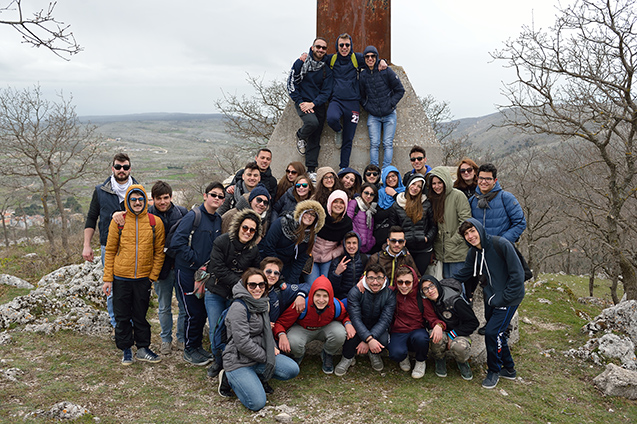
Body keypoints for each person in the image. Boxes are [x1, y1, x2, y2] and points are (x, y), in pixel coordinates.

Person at [453, 219, 525, 389]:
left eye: (472, 231)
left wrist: (504, 298)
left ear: (479, 229)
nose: (470, 236)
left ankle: (494, 370)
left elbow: (517, 274)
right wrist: (439, 285)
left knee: (492, 333)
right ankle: (509, 368)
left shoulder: (501, 244)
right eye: (466, 234)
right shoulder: (473, 253)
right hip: (491, 298)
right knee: (498, 333)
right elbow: (464, 273)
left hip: (509, 298)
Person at [221, 268, 300, 411]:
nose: (257, 288)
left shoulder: (262, 303)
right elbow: (243, 343)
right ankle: (228, 378)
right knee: (257, 403)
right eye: (252, 285)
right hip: (238, 360)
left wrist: (272, 347)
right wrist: (267, 356)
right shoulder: (239, 307)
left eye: (261, 285)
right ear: (245, 286)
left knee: (292, 369)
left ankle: (254, 377)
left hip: (258, 356)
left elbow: (265, 331)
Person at [103, 185, 165, 365]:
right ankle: (126, 350)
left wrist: (152, 276)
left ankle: (143, 348)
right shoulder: (118, 222)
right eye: (133, 199)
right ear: (128, 202)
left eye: (140, 199)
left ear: (145, 201)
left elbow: (159, 252)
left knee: (141, 315)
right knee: (122, 316)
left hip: (143, 278)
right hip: (121, 277)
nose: (137, 203)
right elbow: (110, 250)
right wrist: (107, 278)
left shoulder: (155, 222)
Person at [170, 181, 224, 366]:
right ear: (205, 195)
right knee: (192, 311)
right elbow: (177, 243)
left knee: (201, 312)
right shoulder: (194, 216)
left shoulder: (218, 219)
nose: (217, 198)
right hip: (187, 272)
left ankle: (197, 346)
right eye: (214, 195)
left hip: (204, 275)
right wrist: (194, 260)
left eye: (220, 196)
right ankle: (188, 349)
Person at [83, 153, 138, 329]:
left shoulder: (138, 190)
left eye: (125, 167)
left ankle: (131, 323)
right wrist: (87, 245)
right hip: (108, 246)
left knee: (131, 287)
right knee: (111, 286)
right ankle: (118, 325)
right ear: (112, 168)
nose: (122, 170)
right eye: (118, 167)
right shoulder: (100, 191)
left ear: (130, 168)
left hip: (132, 246)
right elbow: (92, 218)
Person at [207, 209, 262, 370]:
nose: (248, 232)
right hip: (216, 291)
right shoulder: (222, 241)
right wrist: (240, 282)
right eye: (245, 227)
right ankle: (217, 361)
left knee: (232, 329)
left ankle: (231, 361)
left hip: (236, 295)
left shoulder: (253, 250)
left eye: (252, 230)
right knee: (215, 327)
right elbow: (217, 268)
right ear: (238, 226)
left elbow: (254, 271)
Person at [273, 275, 355, 374]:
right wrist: (281, 334)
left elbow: (345, 315)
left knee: (340, 333)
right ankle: (298, 355)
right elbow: (280, 323)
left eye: (325, 296)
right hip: (303, 329)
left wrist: (347, 323)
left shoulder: (335, 305)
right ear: (312, 295)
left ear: (330, 296)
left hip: (325, 328)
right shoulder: (301, 305)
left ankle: (327, 353)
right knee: (293, 341)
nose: (321, 300)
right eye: (318, 295)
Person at [148, 181, 188, 354]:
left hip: (180, 267)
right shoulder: (147, 215)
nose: (163, 202)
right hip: (160, 269)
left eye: (166, 198)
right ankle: (165, 339)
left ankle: (181, 338)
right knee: (164, 306)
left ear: (171, 197)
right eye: (159, 199)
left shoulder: (182, 213)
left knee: (183, 306)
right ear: (153, 199)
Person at [334, 263, 396, 375]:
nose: (375, 282)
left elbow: (385, 320)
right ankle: (347, 357)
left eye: (379, 278)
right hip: (359, 324)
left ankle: (374, 353)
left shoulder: (389, 294)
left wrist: (369, 339)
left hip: (377, 325)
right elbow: (355, 318)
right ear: (365, 278)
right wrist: (369, 339)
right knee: (350, 335)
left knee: (383, 338)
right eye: (371, 278)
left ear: (384, 279)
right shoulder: (355, 291)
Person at [287, 37, 333, 176]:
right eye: (318, 47)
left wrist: (313, 104)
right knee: (311, 123)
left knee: (316, 137)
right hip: (302, 102)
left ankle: (311, 169)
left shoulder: (326, 68)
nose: (320, 50)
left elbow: (326, 92)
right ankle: (300, 135)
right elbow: (291, 84)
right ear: (312, 47)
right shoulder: (301, 62)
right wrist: (301, 103)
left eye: (323, 48)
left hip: (317, 104)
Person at [387, 265, 443, 379]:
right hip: (398, 331)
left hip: (417, 330)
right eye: (400, 282)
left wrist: (438, 325)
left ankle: (420, 361)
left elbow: (432, 317)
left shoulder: (420, 297)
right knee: (395, 354)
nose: (403, 286)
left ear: (414, 281)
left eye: (407, 282)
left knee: (421, 339)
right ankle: (403, 356)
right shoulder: (392, 293)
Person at [421, 275, 479, 381]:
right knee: (434, 336)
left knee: (459, 347)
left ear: (437, 285)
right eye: (425, 289)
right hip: (442, 330)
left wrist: (453, 334)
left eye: (432, 286)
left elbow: (473, 323)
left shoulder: (455, 301)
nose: (430, 291)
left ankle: (462, 362)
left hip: (460, 332)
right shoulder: (429, 302)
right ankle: (439, 359)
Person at [259, 200, 325, 290]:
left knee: (293, 289)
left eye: (313, 215)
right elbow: (268, 247)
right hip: (269, 261)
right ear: (301, 213)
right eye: (307, 212)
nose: (309, 216)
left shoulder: (311, 235)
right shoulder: (282, 223)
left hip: (288, 266)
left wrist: (291, 282)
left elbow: (301, 260)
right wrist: (279, 276)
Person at [359, 45, 405, 168]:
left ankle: (386, 170)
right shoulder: (363, 76)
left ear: (376, 57)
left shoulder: (386, 71)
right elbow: (361, 96)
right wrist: (367, 106)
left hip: (389, 114)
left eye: (372, 56)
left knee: (387, 143)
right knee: (374, 143)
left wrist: (390, 104)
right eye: (367, 56)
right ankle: (374, 170)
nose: (370, 59)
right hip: (373, 115)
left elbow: (400, 90)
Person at [427, 167, 472, 279]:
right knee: (447, 288)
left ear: (445, 181)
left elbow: (466, 221)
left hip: (457, 251)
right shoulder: (434, 198)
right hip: (441, 253)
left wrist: (454, 241)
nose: (436, 186)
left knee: (457, 288)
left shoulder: (458, 195)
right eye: (434, 183)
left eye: (439, 183)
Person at [390, 173, 438, 275]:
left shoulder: (426, 203)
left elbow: (433, 226)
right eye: (413, 184)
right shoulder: (398, 204)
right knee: (405, 277)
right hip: (405, 249)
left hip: (423, 249)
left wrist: (427, 238)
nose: (415, 188)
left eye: (419, 186)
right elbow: (393, 227)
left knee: (418, 276)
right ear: (408, 185)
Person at [469, 163, 526, 243]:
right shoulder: (472, 201)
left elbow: (520, 223)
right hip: (479, 249)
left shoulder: (506, 198)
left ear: (495, 180)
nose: (484, 182)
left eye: (488, 179)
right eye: (481, 178)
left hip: (501, 250)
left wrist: (502, 242)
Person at [305, 190, 353, 286]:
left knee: (325, 285)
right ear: (330, 202)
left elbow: (344, 244)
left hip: (327, 259)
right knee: (313, 285)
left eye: (342, 202)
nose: (338, 205)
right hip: (310, 257)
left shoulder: (347, 223)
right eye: (335, 201)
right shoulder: (319, 215)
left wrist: (332, 254)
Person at [372, 165, 405, 254]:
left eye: (393, 176)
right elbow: (377, 215)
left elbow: (406, 211)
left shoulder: (405, 192)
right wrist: (396, 206)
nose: (390, 179)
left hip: (398, 239)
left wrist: (395, 195)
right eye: (387, 177)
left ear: (398, 176)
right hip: (381, 236)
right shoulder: (380, 193)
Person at [327, 231, 368, 301]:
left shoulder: (365, 259)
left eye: (354, 243)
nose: (351, 246)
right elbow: (332, 289)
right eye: (348, 243)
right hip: (342, 298)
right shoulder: (337, 261)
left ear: (359, 244)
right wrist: (337, 273)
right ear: (344, 245)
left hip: (360, 297)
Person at [261, 257, 299, 323]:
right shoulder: (251, 289)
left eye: (276, 273)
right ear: (261, 272)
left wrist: (301, 295)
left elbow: (305, 287)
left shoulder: (280, 291)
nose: (272, 275)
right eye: (268, 272)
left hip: (274, 329)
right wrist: (264, 325)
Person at [347, 182, 378, 253]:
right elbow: (348, 221)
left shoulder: (371, 209)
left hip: (366, 248)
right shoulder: (354, 203)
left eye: (372, 194)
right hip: (353, 246)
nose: (369, 196)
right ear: (361, 192)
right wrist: (359, 238)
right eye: (366, 193)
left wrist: (371, 242)